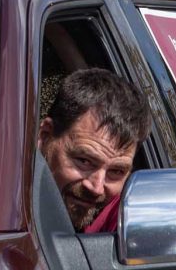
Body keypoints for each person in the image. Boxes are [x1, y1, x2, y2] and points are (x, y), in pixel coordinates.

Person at [38, 68, 151, 232]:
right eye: (84, 161)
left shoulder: (125, 218)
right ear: (45, 135)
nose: (97, 188)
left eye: (116, 171)